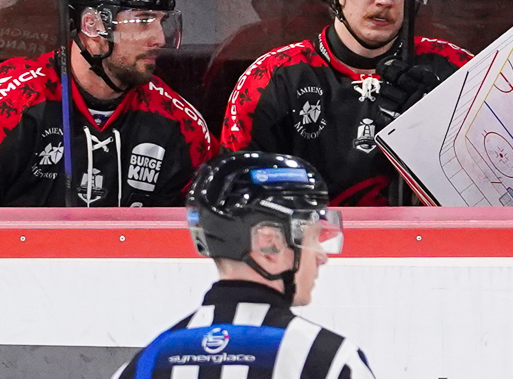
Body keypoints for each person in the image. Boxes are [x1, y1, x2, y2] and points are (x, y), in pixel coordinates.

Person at [221, 0, 471, 206]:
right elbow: (236, 205)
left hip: (422, 249)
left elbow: (500, 187)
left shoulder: (456, 72)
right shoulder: (274, 77)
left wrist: (441, 130)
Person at [0, 0, 215, 207]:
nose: (158, 38)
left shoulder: (180, 124)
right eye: (143, 21)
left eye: (162, 22)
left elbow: (207, 234)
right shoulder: (2, 111)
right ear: (92, 25)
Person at [111, 150, 375, 379]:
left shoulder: (149, 360)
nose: (321, 255)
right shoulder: (329, 360)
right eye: (313, 237)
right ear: (269, 244)